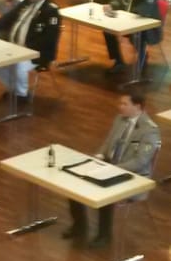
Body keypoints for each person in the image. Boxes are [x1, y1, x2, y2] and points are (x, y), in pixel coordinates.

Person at [65, 89, 160, 248]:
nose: (120, 106)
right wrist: (99, 156)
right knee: (74, 184)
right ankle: (79, 226)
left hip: (133, 175)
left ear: (137, 106)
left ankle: (104, 235)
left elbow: (141, 161)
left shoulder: (149, 130)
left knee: (105, 190)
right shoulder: (120, 119)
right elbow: (109, 142)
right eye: (120, 103)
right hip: (110, 166)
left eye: (124, 104)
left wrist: (114, 169)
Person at [0, 0, 60, 110]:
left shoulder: (51, 11)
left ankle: (21, 94)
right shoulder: (28, 1)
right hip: (15, 46)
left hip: (37, 52)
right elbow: (10, 16)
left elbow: (49, 38)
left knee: (19, 65)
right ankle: (14, 89)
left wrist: (27, 48)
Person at [103, 0, 162, 79]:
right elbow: (120, 1)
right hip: (128, 22)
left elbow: (144, 12)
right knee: (108, 31)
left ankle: (142, 61)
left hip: (148, 27)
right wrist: (111, 6)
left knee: (137, 34)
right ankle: (118, 61)